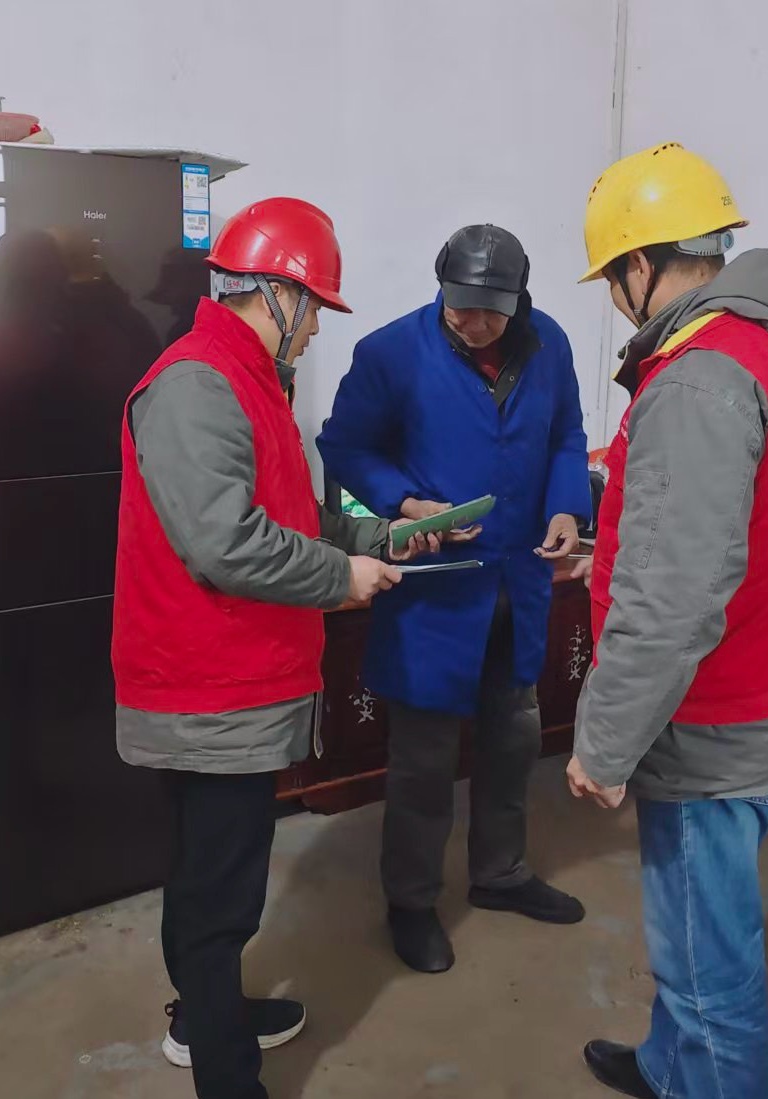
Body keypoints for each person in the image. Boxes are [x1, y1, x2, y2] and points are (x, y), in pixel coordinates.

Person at [111, 197, 438, 1099]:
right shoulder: (198, 383)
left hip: (235, 681)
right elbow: (224, 544)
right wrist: (341, 578)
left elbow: (287, 516)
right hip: (208, 687)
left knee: (211, 874)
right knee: (218, 892)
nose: (316, 328)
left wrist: (382, 538)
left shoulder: (250, 380)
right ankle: (224, 1070)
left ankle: (207, 1011)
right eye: (314, 308)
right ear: (279, 294)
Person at [564, 143, 768, 1099]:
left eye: (615, 280)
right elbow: (745, 524)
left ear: (638, 264)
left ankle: (700, 1066)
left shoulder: (698, 379)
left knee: (706, 971)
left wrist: (604, 743)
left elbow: (673, 599)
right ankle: (667, 1068)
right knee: (694, 932)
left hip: (710, 719)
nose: (618, 301)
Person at [317, 224, 593, 973]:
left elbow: (567, 433)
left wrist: (567, 507)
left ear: (519, 300)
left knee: (512, 739)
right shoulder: (390, 353)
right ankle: (410, 901)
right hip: (435, 592)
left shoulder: (550, 344)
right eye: (459, 306)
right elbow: (344, 445)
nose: (472, 322)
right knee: (424, 759)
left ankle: (501, 873)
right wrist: (405, 503)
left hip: (520, 581)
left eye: (490, 311)